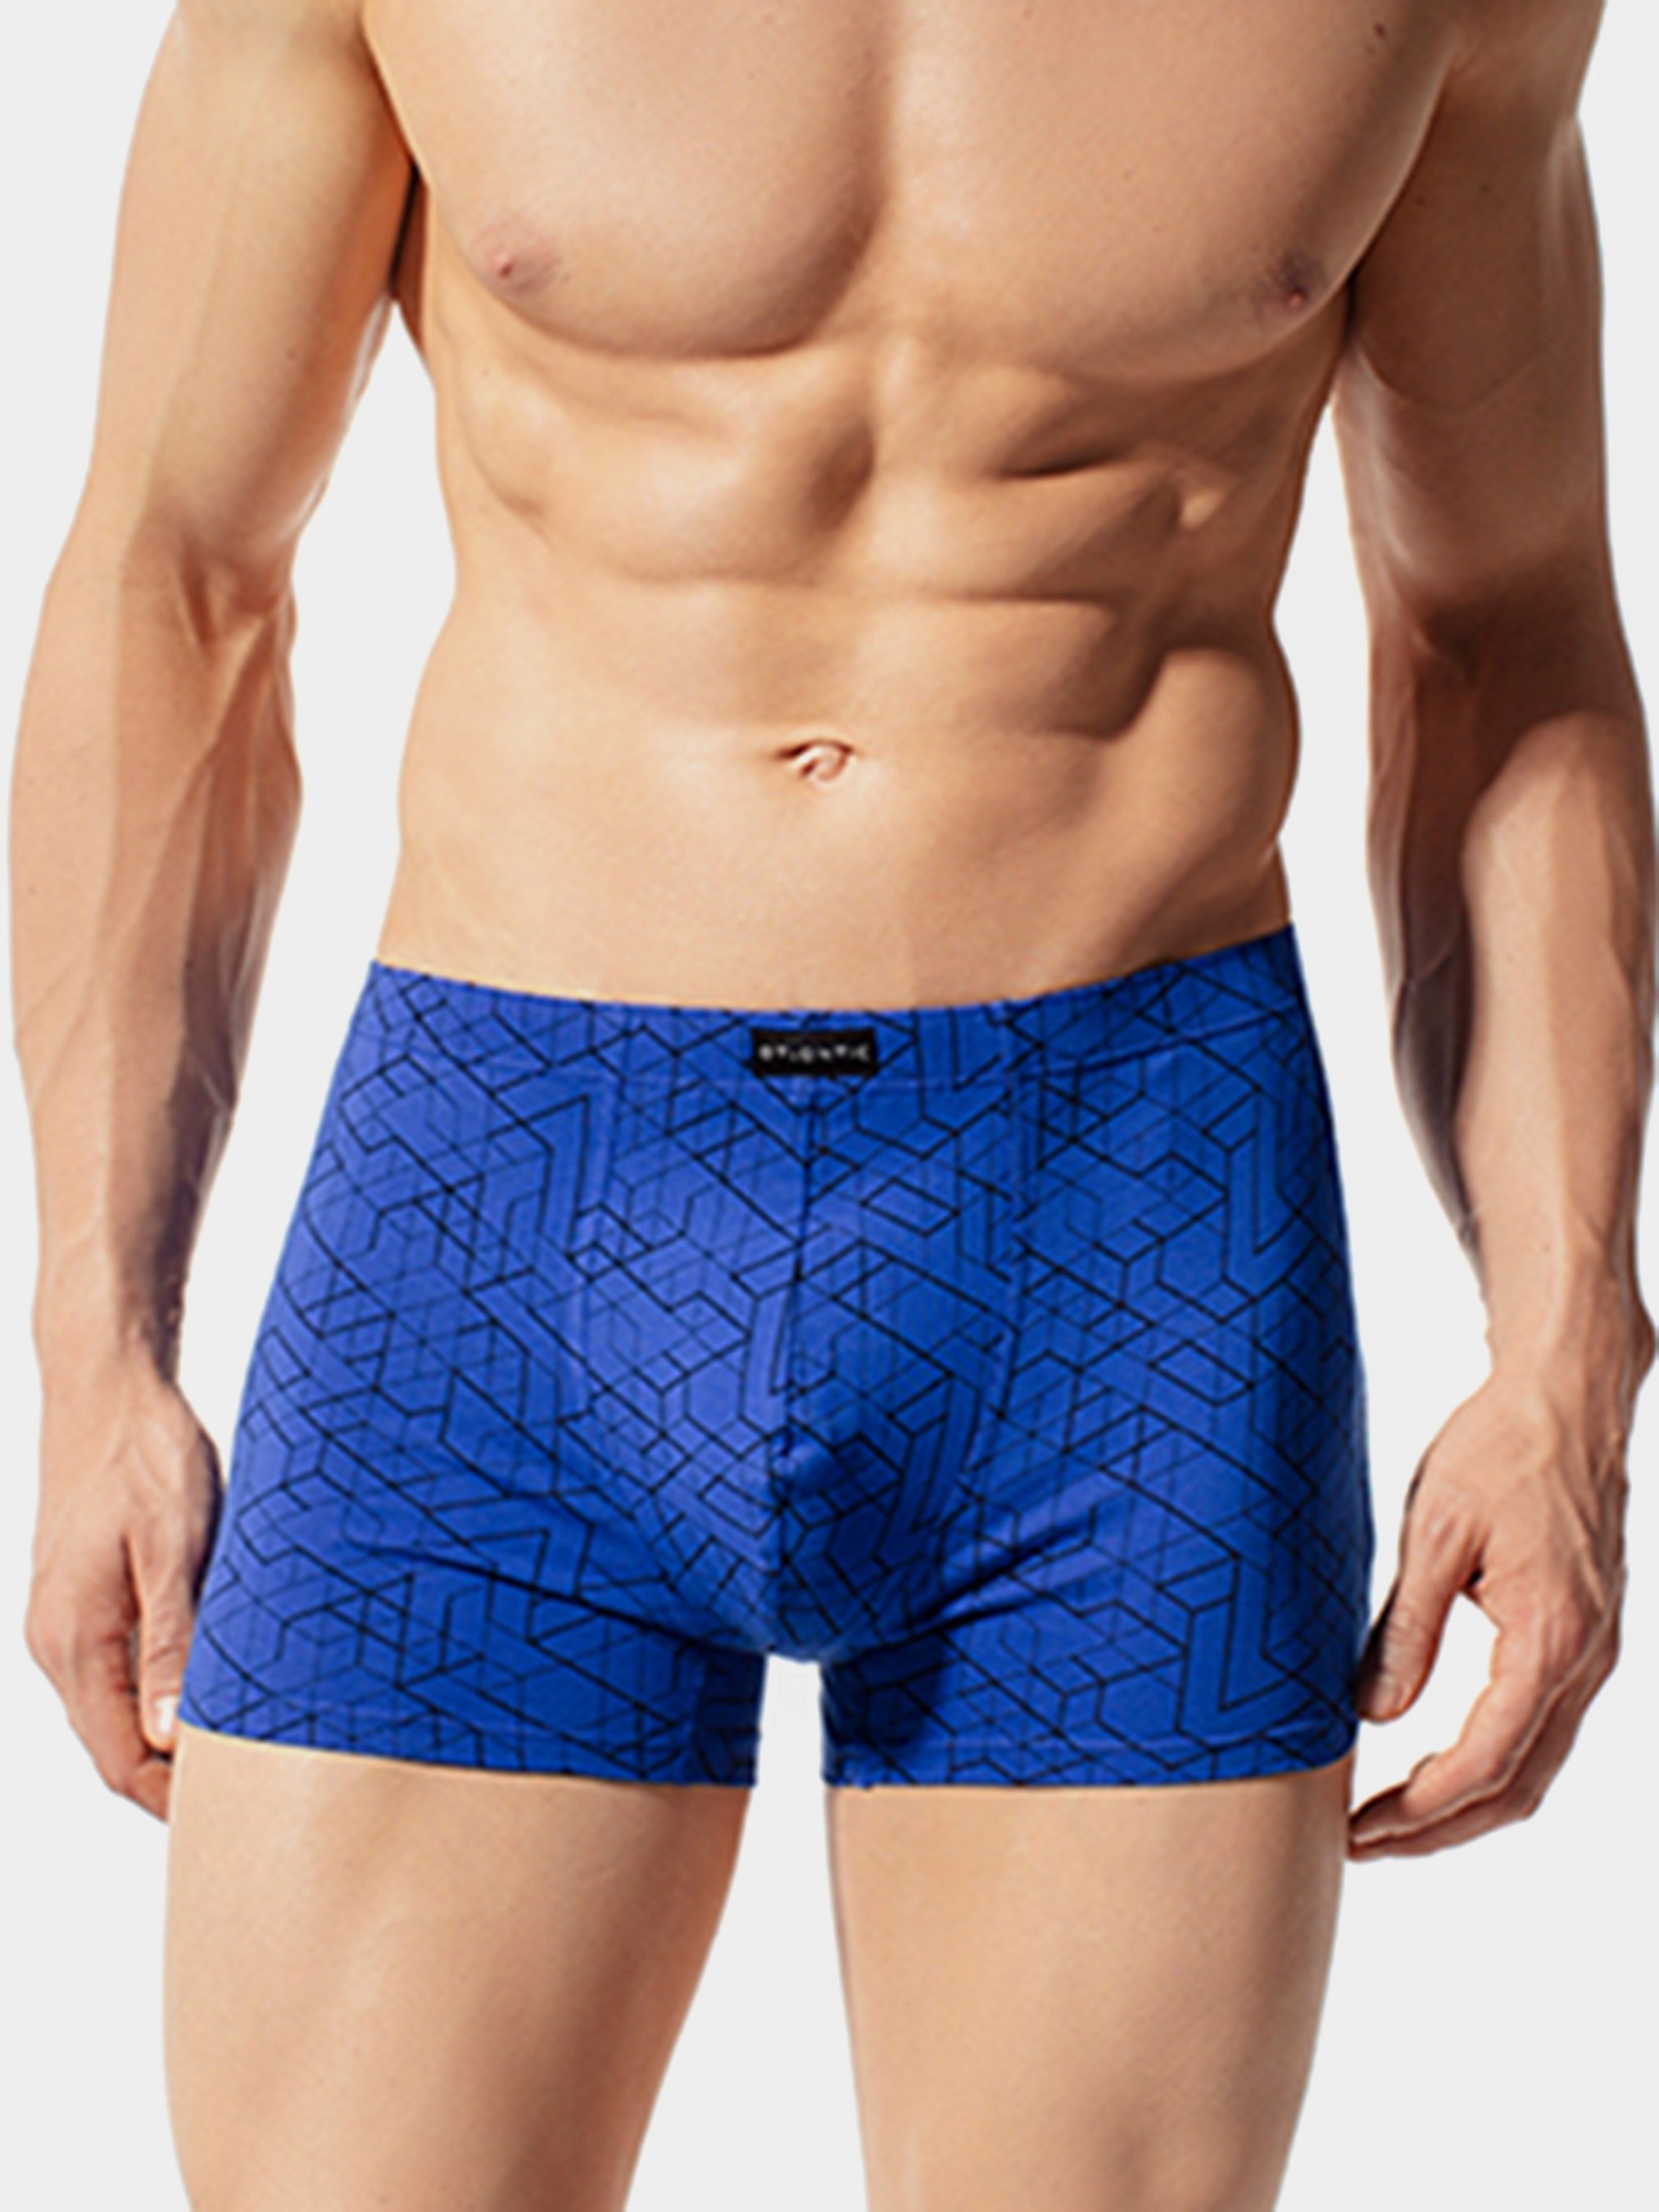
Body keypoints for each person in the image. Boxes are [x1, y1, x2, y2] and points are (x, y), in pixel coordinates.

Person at [11, 0, 1653, 2204]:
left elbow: (1504, 630)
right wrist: (94, 1343)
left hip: (1125, 1262)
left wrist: (1566, 1354)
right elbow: (180, 582)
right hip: (505, 1249)